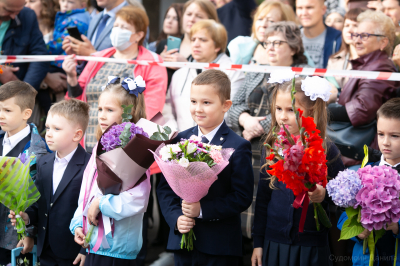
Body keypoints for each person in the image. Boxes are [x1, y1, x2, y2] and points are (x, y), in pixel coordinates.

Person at [157, 69, 254, 266]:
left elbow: (242, 196)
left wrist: (202, 210)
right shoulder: (178, 139)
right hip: (183, 241)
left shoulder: (237, 146)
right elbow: (165, 189)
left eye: (206, 102)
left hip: (219, 246)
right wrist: (176, 218)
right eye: (193, 101)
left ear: (226, 105)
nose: (198, 109)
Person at [251, 76, 345, 266]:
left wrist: (323, 194)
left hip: (310, 244)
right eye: (278, 109)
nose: (282, 116)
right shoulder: (271, 147)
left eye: (291, 110)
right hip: (274, 240)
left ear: (311, 111)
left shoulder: (326, 149)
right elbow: (262, 199)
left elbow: (341, 196)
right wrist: (258, 242)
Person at [62, 5, 167, 152]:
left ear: (138, 35)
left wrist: (128, 144)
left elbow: (150, 111)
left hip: (123, 149)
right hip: (86, 142)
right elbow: (76, 99)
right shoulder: (99, 57)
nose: (117, 30)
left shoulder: (151, 63)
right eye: (116, 25)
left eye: (124, 27)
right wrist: (71, 77)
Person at [70, 77, 150, 266]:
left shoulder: (136, 151)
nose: (102, 116)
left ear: (128, 113)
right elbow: (87, 189)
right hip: (93, 244)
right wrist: (79, 223)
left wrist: (102, 203)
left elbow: (138, 199)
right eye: (99, 110)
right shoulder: (100, 145)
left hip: (117, 248)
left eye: (110, 110)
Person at [9, 99, 91, 266]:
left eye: (57, 129)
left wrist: (85, 249)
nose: (49, 134)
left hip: (73, 252)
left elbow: (91, 213)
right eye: (47, 128)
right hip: (45, 250)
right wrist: (26, 217)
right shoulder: (43, 163)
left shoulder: (89, 166)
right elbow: (39, 203)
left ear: (77, 135)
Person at [328, 10, 400, 165]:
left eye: (365, 36)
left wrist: (322, 109)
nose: (357, 41)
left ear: (383, 42)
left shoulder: (380, 68)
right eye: (356, 35)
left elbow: (362, 109)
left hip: (363, 156)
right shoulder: (368, 64)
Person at [337, 98, 400, 266]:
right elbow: (345, 215)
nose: (385, 142)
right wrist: (356, 232)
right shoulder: (365, 171)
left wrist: (398, 226)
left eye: (395, 136)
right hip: (365, 259)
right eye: (381, 134)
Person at [0, 81, 50, 265]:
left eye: (7, 110)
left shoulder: (38, 151)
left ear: (26, 113)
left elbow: (39, 197)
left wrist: (29, 232)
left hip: (14, 237)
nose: (0, 115)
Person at [165, 19, 245, 131]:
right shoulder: (179, 73)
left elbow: (231, 110)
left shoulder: (233, 72)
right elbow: (168, 108)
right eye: (193, 39)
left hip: (218, 143)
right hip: (181, 142)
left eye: (203, 40)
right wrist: (175, 133)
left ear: (217, 46)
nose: (196, 44)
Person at [156, 0, 218, 86]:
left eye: (199, 16)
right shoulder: (164, 45)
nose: (191, 19)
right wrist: (158, 62)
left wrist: (187, 65)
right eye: (188, 14)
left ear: (210, 21)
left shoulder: (215, 48)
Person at [228, 1, 298, 65]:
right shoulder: (237, 47)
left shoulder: (297, 52)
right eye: (260, 19)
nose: (263, 24)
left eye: (271, 21)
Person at [0, 0, 49, 92]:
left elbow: (39, 57)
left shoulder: (27, 16)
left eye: (18, 11)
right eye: (9, 10)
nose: (13, 16)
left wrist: (25, 92)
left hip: (13, 96)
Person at [62, 0, 128, 56]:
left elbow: (128, 60)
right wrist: (79, 57)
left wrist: (91, 54)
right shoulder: (95, 18)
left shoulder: (132, 18)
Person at [296, 0, 342, 68]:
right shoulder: (291, 38)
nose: (304, 13)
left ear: (323, 9)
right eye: (300, 8)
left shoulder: (338, 39)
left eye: (309, 7)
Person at [327, 8, 365, 90]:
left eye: (355, 25)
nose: (349, 30)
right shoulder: (333, 60)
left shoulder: (373, 61)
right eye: (346, 25)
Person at [47, 0, 90, 69]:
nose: (65, 5)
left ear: (83, 5)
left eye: (71, 2)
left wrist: (41, 49)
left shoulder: (74, 21)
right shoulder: (80, 17)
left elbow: (59, 44)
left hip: (65, 64)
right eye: (63, 1)